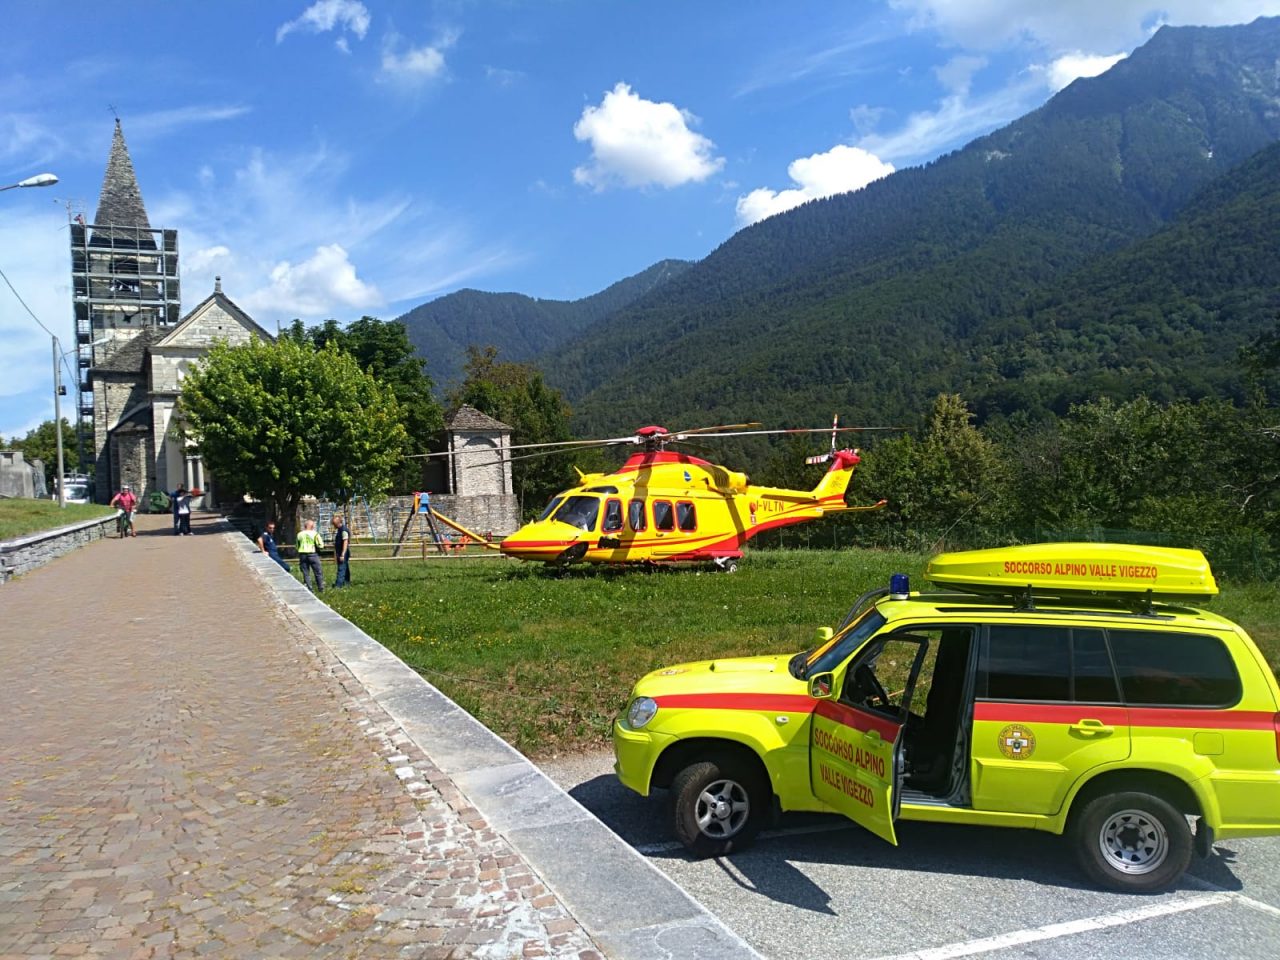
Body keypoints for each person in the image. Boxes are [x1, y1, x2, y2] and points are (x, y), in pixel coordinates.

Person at [296, 518, 324, 593]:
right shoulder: (315, 534)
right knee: (318, 572)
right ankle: (320, 588)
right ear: (311, 526)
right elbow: (320, 545)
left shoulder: (299, 534)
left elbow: (297, 546)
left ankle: (309, 589)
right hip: (313, 554)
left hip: (303, 555)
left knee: (306, 573)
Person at [331, 514, 351, 587]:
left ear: (337, 523)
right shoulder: (340, 530)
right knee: (345, 567)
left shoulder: (344, 530)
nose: (333, 526)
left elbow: (345, 542)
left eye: (334, 524)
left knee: (341, 568)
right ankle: (347, 583)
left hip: (343, 552)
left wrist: (342, 554)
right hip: (341, 552)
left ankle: (338, 585)